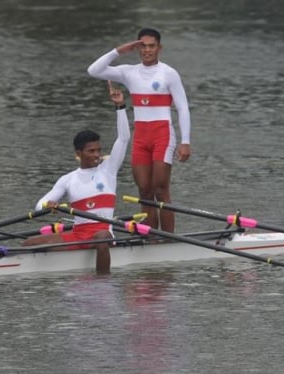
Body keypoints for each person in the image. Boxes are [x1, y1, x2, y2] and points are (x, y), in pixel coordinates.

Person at [87, 27, 191, 233]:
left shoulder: (169, 73)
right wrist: (118, 51)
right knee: (144, 190)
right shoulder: (128, 72)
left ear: (159, 48)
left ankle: (168, 238)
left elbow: (183, 107)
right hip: (141, 137)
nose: (147, 50)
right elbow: (93, 70)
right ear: (137, 48)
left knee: (161, 189)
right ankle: (150, 237)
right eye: (142, 46)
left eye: (151, 46)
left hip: (163, 134)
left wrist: (185, 141)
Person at [22, 82, 130, 273]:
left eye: (98, 150)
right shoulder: (68, 179)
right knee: (29, 243)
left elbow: (123, 139)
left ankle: (102, 283)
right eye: (91, 151)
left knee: (103, 234)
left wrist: (120, 107)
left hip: (103, 234)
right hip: (78, 234)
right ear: (79, 153)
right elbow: (40, 205)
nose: (97, 155)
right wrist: (48, 206)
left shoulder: (109, 170)